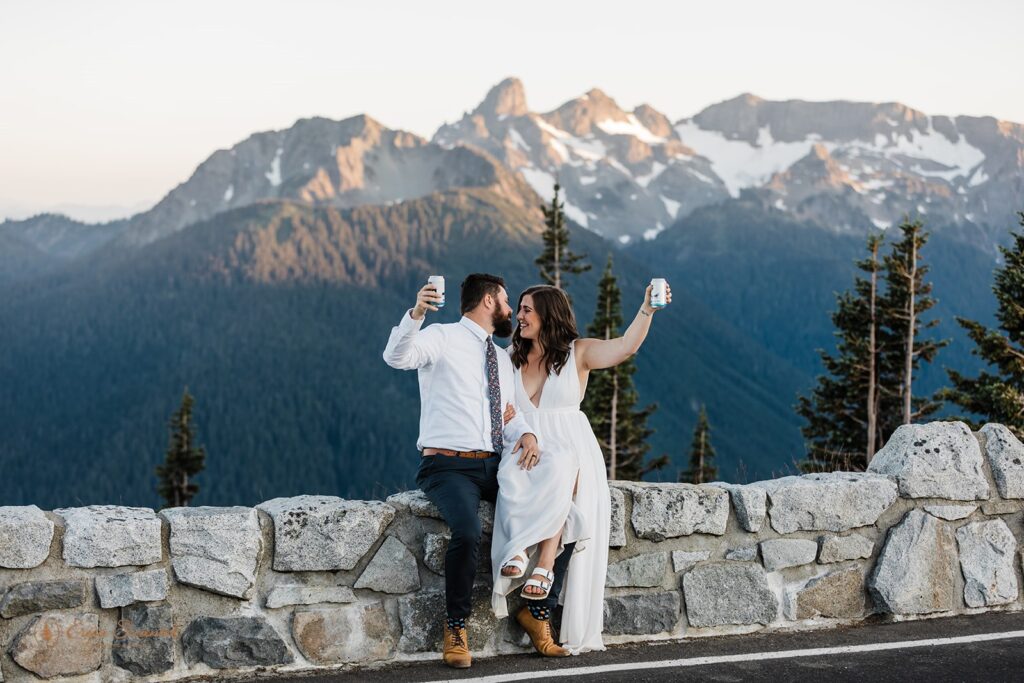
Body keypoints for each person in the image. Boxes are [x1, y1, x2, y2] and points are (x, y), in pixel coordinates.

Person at [382, 273, 570, 668]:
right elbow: (396, 357)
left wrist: (529, 435)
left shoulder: (500, 357)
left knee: (563, 507)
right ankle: (456, 629)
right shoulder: (442, 337)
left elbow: (510, 416)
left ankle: (538, 617)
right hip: (446, 466)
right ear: (488, 301)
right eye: (505, 302)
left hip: (494, 464)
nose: (510, 312)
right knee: (467, 532)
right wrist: (417, 312)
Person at [490, 281, 671, 655]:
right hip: (524, 450)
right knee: (530, 494)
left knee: (572, 521)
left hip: (572, 448)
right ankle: (528, 579)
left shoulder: (579, 353)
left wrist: (647, 310)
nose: (519, 316)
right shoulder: (510, 358)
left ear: (548, 314)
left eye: (527, 310)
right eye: (519, 308)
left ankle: (540, 610)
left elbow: (626, 346)